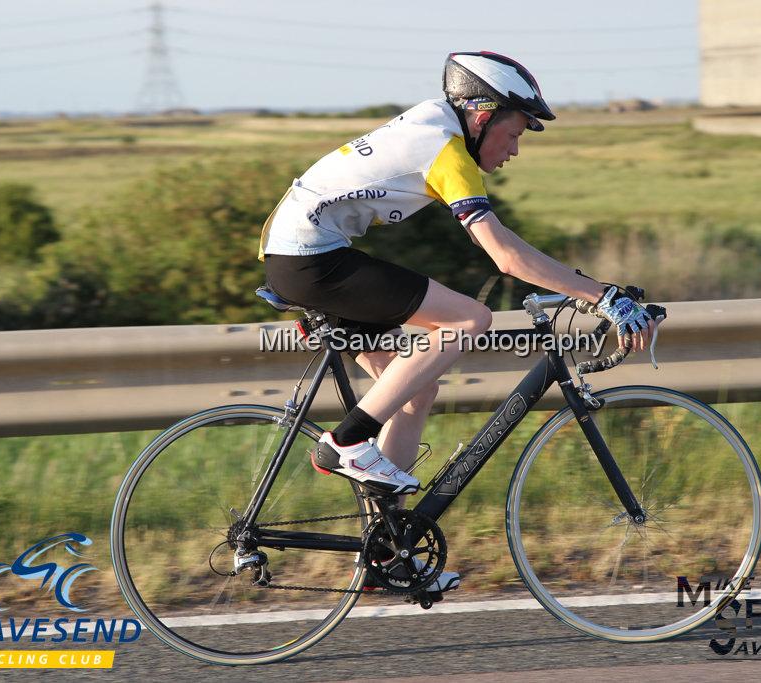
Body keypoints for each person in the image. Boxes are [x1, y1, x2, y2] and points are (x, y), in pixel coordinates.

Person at [259, 51, 655, 594]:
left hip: (303, 259)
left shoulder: (439, 129)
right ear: (483, 115)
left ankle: (389, 554)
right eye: (514, 133)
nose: (515, 149)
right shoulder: (446, 147)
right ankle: (347, 442)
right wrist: (603, 295)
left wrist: (593, 290)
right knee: (469, 318)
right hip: (310, 262)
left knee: (414, 389)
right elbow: (507, 259)